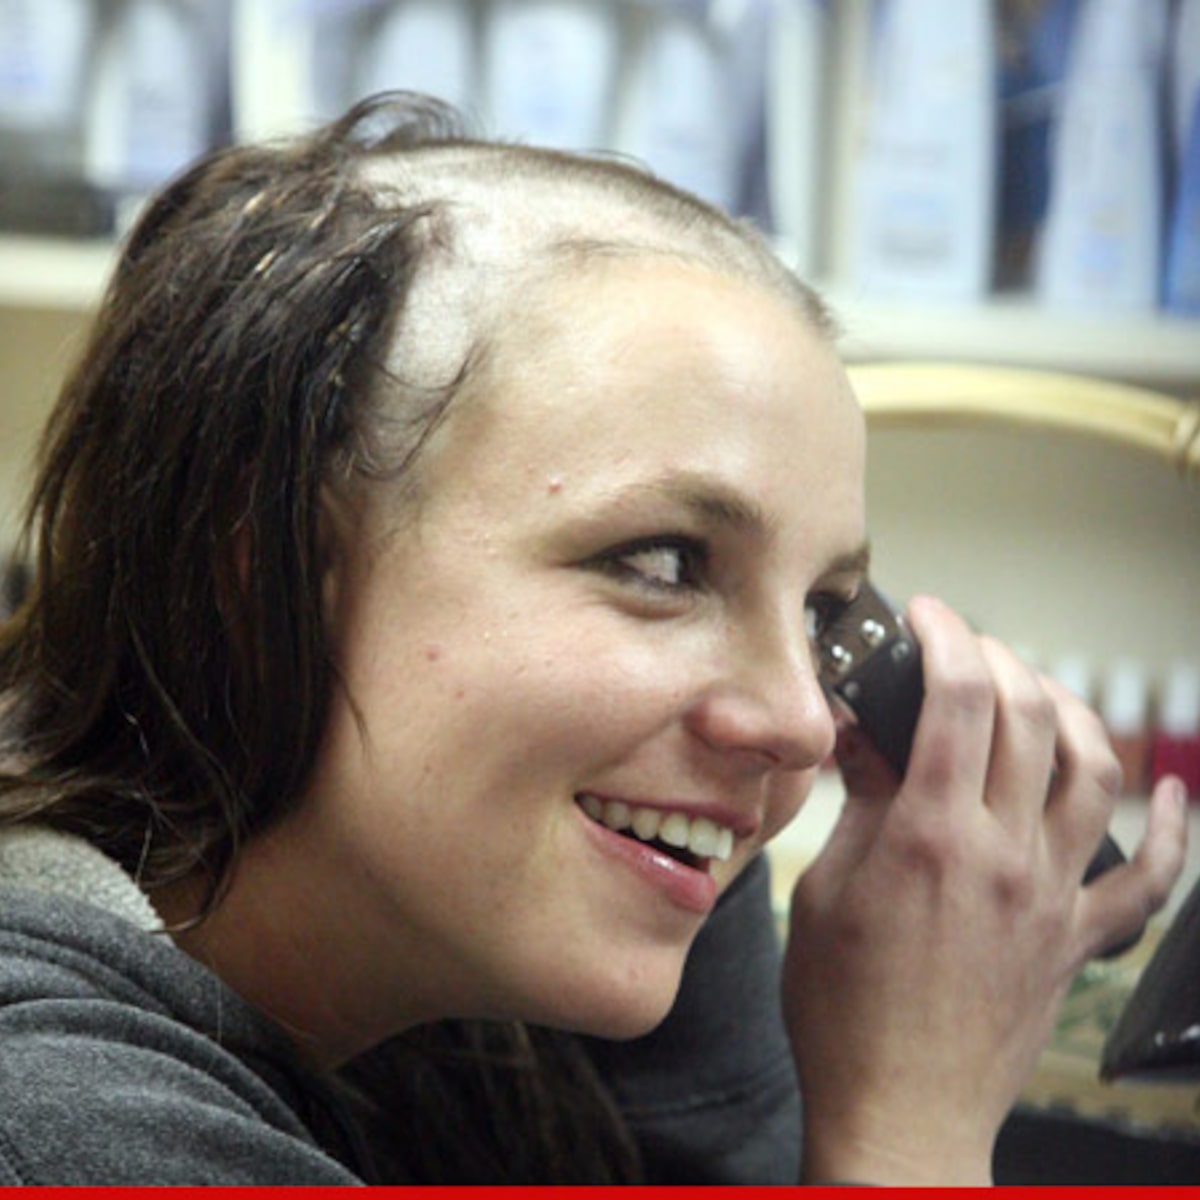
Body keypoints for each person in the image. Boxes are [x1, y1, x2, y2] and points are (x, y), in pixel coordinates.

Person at [0, 92, 1187, 1186]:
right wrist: (908, 1126)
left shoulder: (485, 934)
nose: (797, 721)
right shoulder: (64, 1119)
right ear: (256, 586)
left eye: (824, 614)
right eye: (664, 565)